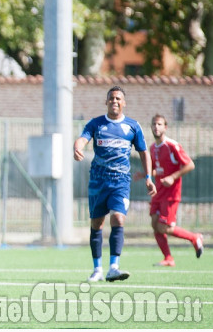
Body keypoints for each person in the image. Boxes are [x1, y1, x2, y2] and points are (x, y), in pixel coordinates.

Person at [73, 86, 156, 283]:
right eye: (111, 98)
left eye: (118, 98)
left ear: (124, 103)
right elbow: (82, 139)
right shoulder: (96, 124)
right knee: (97, 224)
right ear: (106, 102)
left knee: (118, 218)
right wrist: (77, 147)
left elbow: (144, 152)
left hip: (120, 181)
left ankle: (114, 267)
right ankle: (97, 269)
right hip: (98, 181)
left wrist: (148, 177)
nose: (115, 101)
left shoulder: (132, 127)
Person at [135, 114, 202, 266]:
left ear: (165, 127)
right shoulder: (152, 148)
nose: (156, 127)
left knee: (165, 228)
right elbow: (156, 170)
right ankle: (168, 258)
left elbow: (190, 164)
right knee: (154, 223)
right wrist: (144, 174)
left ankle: (194, 237)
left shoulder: (172, 145)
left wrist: (172, 177)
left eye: (159, 124)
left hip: (171, 193)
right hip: (158, 192)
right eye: (154, 124)